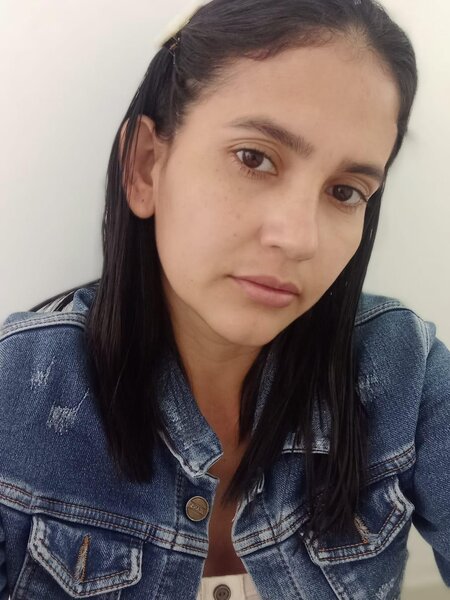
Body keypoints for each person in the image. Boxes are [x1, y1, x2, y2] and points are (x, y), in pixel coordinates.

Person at [1, 0, 449, 598]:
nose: (300, 239)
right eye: (254, 158)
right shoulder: (15, 394)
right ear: (145, 166)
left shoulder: (405, 374)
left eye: (345, 192)